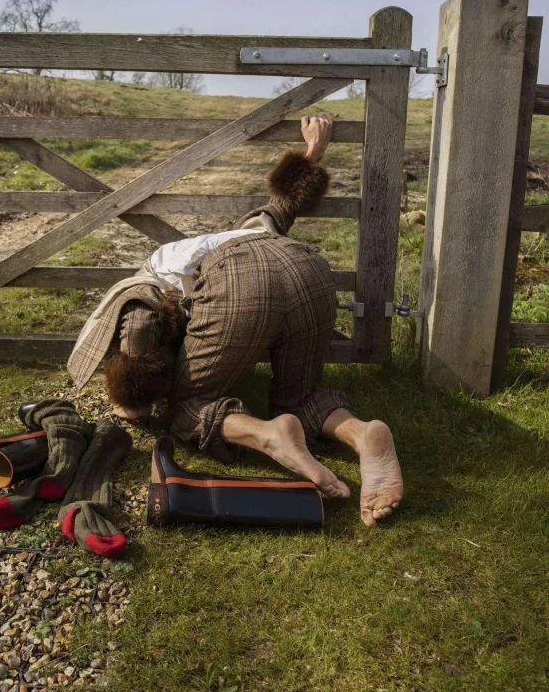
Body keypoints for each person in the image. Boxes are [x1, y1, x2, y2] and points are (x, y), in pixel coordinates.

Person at [68, 116, 403, 526]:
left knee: (188, 406)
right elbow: (283, 204)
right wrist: (313, 151)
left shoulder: (150, 273)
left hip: (240, 282)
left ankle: (269, 435)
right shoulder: (245, 231)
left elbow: (137, 326)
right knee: (299, 396)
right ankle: (362, 433)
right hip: (308, 268)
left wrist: (132, 398)